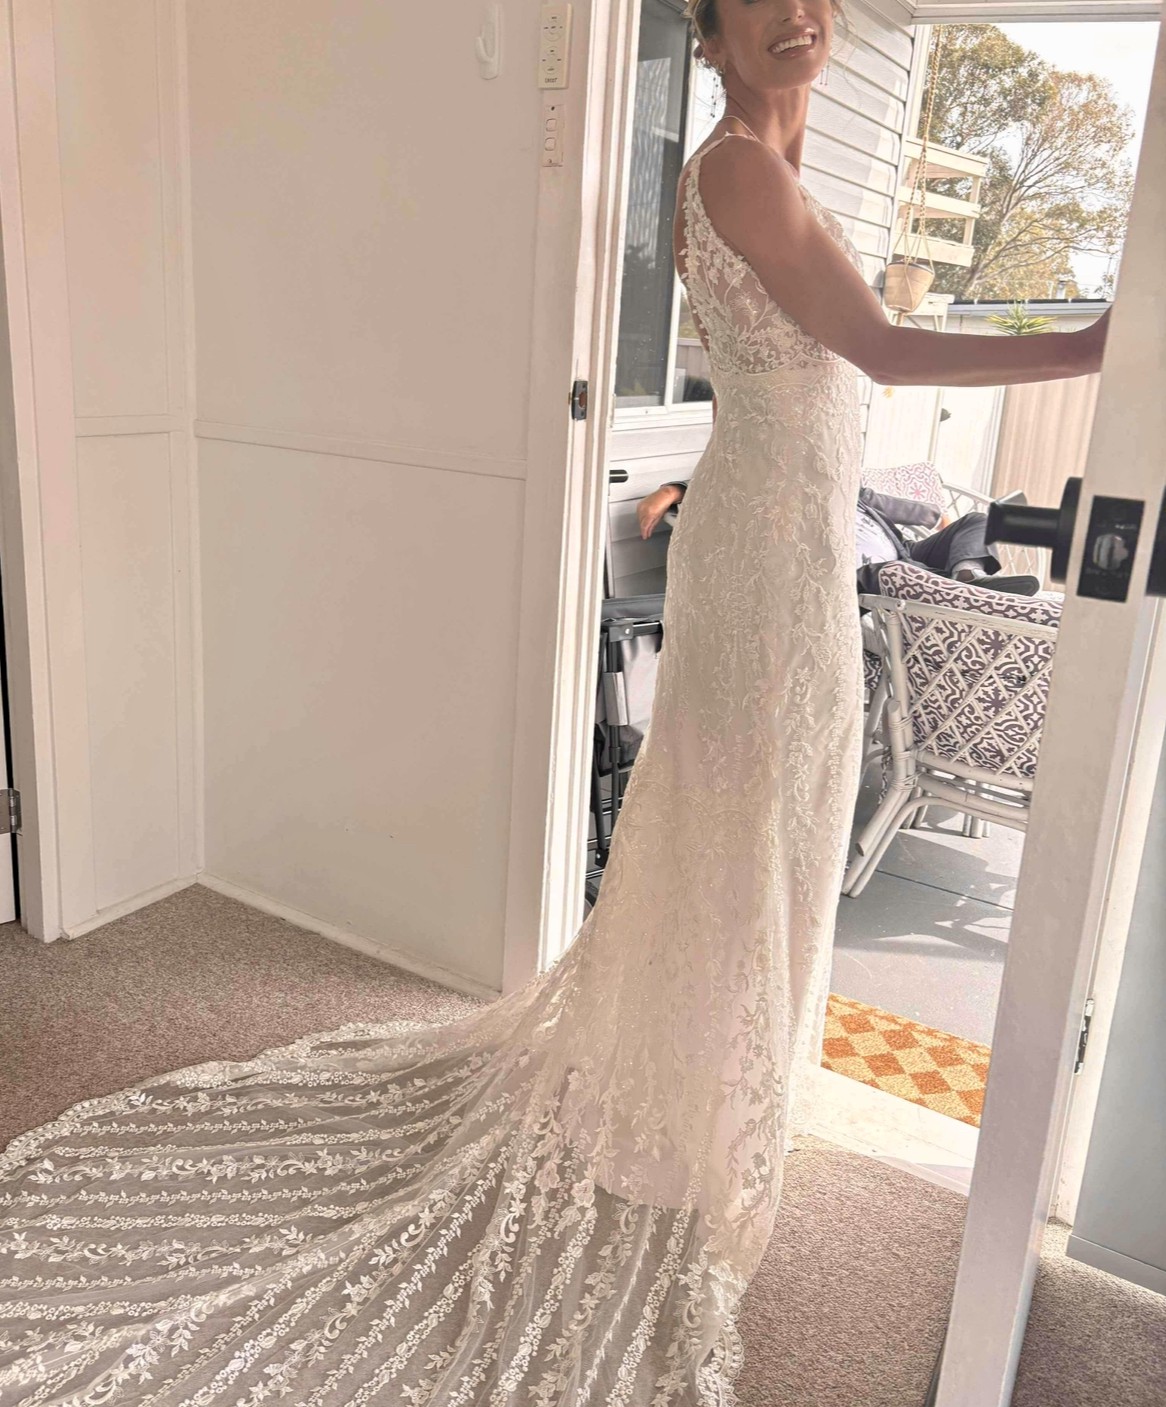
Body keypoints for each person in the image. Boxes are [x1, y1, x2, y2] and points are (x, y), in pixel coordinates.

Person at [0, 1, 1110, 1401]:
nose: (796, 15)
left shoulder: (767, 170)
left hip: (779, 536)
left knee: (757, 813)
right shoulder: (738, 171)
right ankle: (702, 1101)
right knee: (741, 813)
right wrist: (1098, 344)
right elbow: (881, 351)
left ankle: (718, 1085)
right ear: (710, 31)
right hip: (768, 553)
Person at [639, 479, 1044, 594]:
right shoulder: (777, 491)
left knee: (978, 519)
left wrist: (939, 517)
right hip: (857, 578)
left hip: (906, 554)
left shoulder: (845, 487)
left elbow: (893, 505)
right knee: (894, 572)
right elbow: (727, 486)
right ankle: (961, 591)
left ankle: (967, 578)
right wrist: (673, 490)